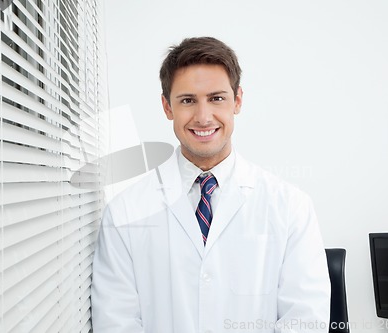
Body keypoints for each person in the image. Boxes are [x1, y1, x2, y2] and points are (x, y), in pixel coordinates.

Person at [91, 36, 330, 333]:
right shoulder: (125, 213)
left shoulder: (291, 206)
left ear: (237, 101)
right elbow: (116, 323)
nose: (203, 118)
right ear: (167, 107)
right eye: (188, 100)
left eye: (216, 98)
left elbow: (306, 321)